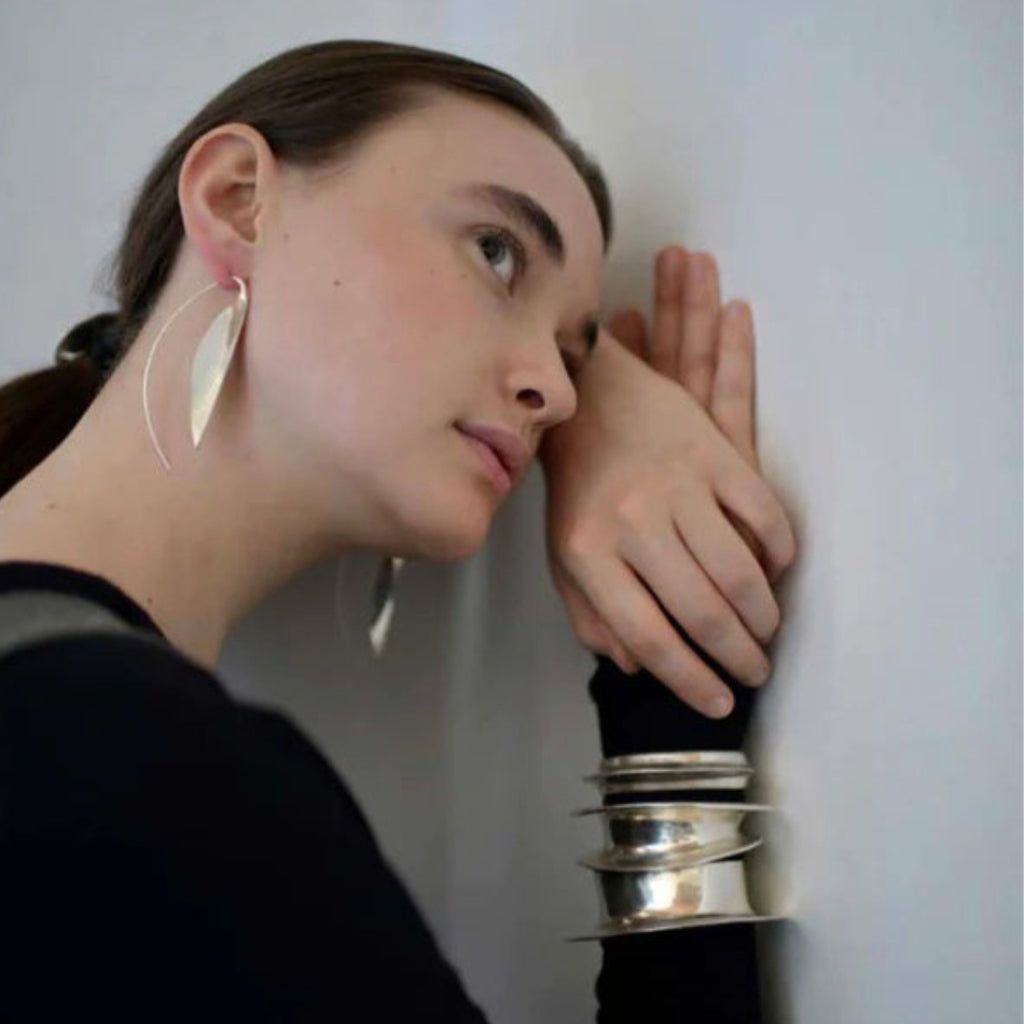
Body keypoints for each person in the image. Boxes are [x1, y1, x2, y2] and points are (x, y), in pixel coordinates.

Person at [0, 39, 796, 1021]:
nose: (551, 392)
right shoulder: (140, 759)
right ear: (240, 197)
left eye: (568, 353)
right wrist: (673, 719)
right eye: (496, 250)